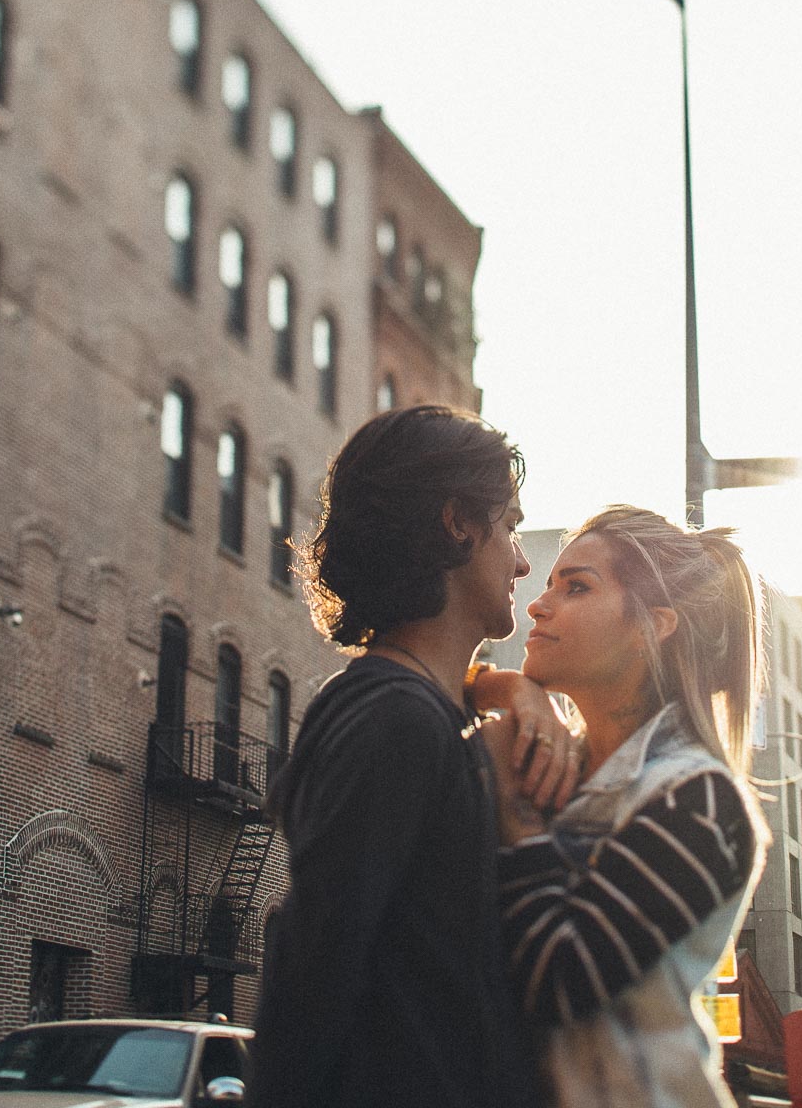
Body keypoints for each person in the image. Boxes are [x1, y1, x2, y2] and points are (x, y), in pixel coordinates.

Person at [249, 405, 576, 1108]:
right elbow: (312, 974)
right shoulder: (393, 720)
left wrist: (510, 686)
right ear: (459, 521)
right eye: (511, 525)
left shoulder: (419, 709)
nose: (522, 561)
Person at [472, 504, 772, 1108]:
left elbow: (558, 982)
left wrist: (517, 816)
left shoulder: (699, 799)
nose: (537, 603)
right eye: (551, 583)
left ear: (654, 626)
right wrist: (509, 688)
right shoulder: (559, 762)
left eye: (577, 587)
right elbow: (430, 685)